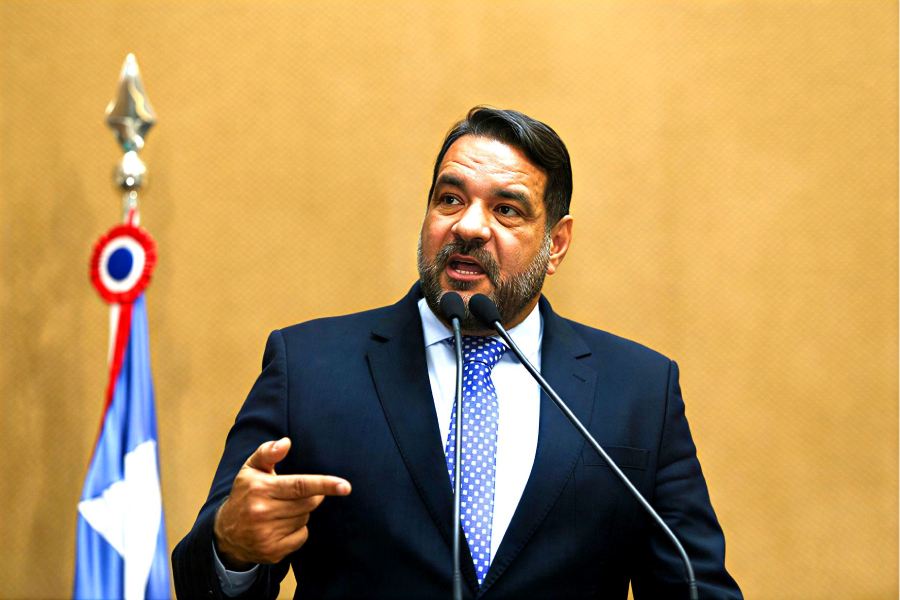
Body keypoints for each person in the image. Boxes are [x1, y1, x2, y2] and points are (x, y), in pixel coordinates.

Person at [172, 107, 742, 599]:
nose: (468, 226)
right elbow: (201, 580)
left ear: (557, 244)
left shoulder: (639, 391)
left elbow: (696, 585)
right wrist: (232, 547)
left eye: (507, 209)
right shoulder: (309, 368)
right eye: (450, 199)